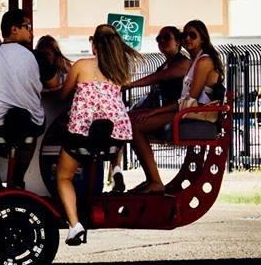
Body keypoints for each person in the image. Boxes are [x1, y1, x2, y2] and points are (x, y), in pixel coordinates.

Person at [54, 24, 138, 246]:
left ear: (94, 44)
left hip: (83, 135)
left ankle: (75, 225)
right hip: (114, 138)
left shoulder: (81, 66)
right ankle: (116, 167)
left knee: (63, 177)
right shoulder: (119, 71)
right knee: (111, 135)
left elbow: (63, 94)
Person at [129, 20, 222, 194]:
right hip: (188, 110)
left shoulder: (203, 61)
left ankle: (155, 181)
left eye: (192, 35)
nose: (187, 38)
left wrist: (155, 112)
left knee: (135, 127)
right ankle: (150, 179)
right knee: (133, 121)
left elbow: (189, 100)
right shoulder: (195, 61)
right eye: (184, 35)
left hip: (196, 112)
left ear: (202, 38)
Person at [111, 26, 190, 192]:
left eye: (166, 38)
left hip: (179, 111)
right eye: (158, 39)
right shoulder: (165, 64)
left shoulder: (183, 63)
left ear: (177, 43)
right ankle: (117, 170)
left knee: (134, 126)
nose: (161, 41)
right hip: (168, 109)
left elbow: (160, 77)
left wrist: (130, 85)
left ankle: (155, 181)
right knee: (123, 120)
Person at [0, 9, 44, 192]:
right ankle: (19, 180)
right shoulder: (35, 56)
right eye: (27, 27)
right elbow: (49, 83)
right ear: (14, 29)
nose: (31, 32)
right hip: (31, 122)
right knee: (31, 135)